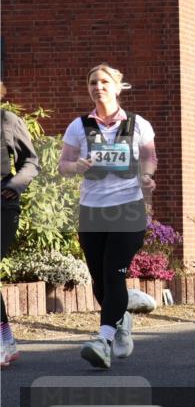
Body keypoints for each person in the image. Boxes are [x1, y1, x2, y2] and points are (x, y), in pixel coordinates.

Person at [58, 64, 156, 369]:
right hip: (92, 210)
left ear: (117, 87)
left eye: (103, 81)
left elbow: (150, 157)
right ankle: (121, 318)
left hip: (128, 208)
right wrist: (78, 166)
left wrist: (147, 176)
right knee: (100, 280)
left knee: (115, 271)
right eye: (92, 82)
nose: (97, 86)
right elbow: (64, 164)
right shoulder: (79, 126)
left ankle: (103, 338)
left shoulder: (138, 124)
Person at [1, 106, 40, 368]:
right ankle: (6, 342)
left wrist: (15, 186)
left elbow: (31, 161)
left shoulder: (7, 119)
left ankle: (4, 343)